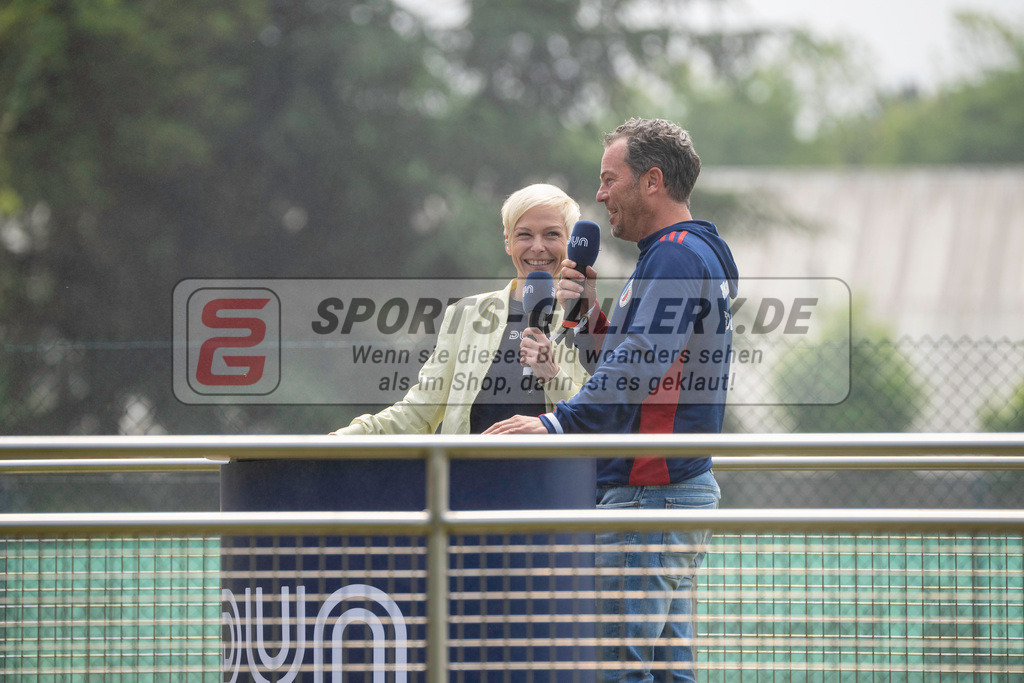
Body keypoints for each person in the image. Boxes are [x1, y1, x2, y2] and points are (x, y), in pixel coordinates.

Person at [485, 118, 739, 682]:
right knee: (666, 672)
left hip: (650, 497)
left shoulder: (674, 256)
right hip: (671, 495)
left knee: (613, 668)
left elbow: (639, 365)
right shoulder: (692, 251)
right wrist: (585, 313)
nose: (599, 196)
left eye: (608, 179)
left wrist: (558, 424)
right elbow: (635, 359)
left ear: (652, 181)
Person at [330, 182, 589, 437]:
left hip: (553, 467)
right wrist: (338, 441)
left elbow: (598, 419)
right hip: (469, 466)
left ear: (569, 242)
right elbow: (418, 414)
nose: (538, 246)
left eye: (552, 234)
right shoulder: (465, 314)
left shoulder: (587, 323)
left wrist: (553, 375)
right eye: (525, 234)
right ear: (508, 242)